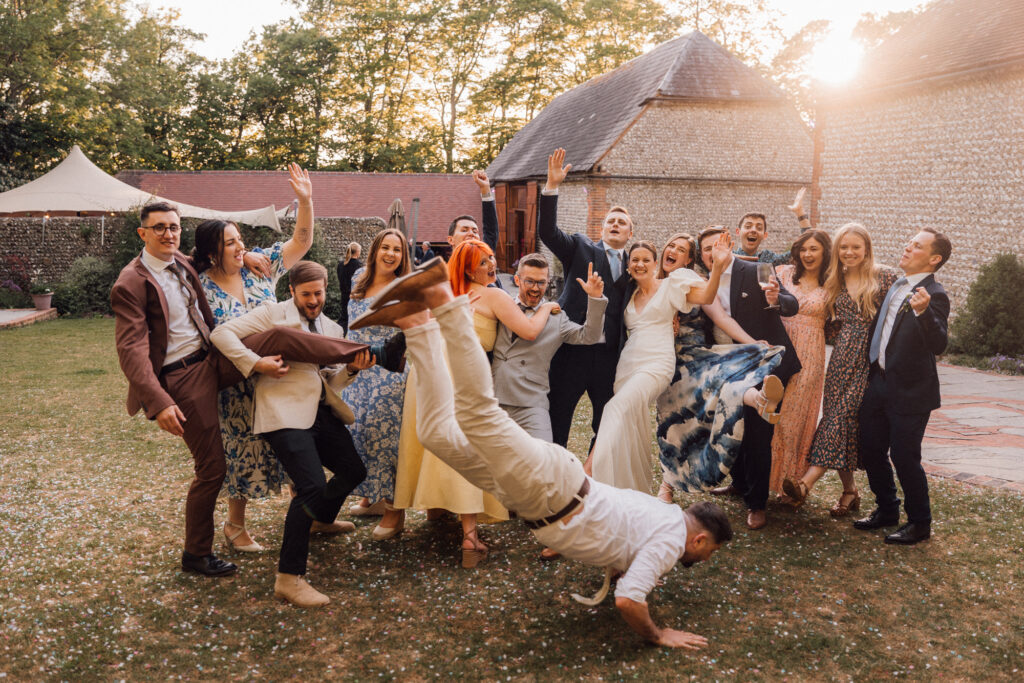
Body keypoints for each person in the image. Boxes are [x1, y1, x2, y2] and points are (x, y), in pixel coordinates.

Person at [351, 266, 733, 649]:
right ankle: (443, 302)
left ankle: (418, 326)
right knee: (478, 413)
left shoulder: (662, 518)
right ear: (700, 540)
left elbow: (624, 538)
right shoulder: (669, 541)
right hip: (552, 488)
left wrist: (625, 565)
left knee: (435, 434)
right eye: (711, 553)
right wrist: (659, 634)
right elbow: (628, 600)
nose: (705, 559)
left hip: (538, 495)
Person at [111, 204, 369, 578]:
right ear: (143, 233)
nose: (168, 234)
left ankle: (358, 354)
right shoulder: (132, 281)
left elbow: (265, 248)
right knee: (215, 466)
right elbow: (131, 349)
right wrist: (158, 401)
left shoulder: (181, 262)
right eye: (159, 228)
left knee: (279, 341)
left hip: (230, 364)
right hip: (188, 373)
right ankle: (200, 550)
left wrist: (243, 255)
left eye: (173, 227)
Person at [209, 261, 376, 606]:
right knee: (311, 486)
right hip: (282, 414)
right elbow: (220, 334)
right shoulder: (272, 313)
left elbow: (330, 380)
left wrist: (351, 370)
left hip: (319, 410)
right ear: (292, 291)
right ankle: (289, 578)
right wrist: (256, 363)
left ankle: (320, 520)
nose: (313, 300)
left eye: (318, 293)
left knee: (353, 471)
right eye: (306, 294)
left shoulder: (331, 327)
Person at [394, 239, 556, 567]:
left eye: (491, 257)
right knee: (464, 444)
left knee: (435, 441)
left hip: (427, 370)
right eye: (484, 262)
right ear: (469, 270)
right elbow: (528, 331)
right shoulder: (493, 295)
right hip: (457, 371)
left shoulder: (445, 292)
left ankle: (437, 510)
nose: (492, 265)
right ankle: (469, 536)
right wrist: (546, 307)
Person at [586, 236, 780, 495]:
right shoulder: (629, 291)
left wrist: (718, 268)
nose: (640, 263)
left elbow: (711, 302)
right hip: (631, 364)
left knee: (617, 408)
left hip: (670, 360)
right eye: (635, 260)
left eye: (681, 249)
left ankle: (586, 475)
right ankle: (627, 488)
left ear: (658, 262)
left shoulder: (677, 283)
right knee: (641, 423)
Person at [193, 162, 315, 554]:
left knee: (295, 443)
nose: (240, 246)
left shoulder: (260, 268)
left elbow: (301, 243)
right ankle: (234, 525)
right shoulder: (199, 288)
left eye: (240, 239)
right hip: (236, 383)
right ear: (211, 252)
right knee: (241, 449)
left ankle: (311, 514)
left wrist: (305, 201)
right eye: (230, 243)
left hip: (280, 375)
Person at [654, 232, 784, 501]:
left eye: (681, 249)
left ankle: (761, 400)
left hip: (693, 357)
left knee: (723, 379)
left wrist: (752, 343)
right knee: (671, 425)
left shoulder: (697, 282)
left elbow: (722, 318)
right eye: (671, 246)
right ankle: (667, 485)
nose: (673, 251)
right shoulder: (650, 283)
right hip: (662, 359)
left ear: (689, 260)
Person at [783, 224, 900, 517]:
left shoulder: (885, 277)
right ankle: (849, 492)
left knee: (837, 419)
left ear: (867, 248)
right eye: (844, 247)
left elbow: (897, 319)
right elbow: (830, 323)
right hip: (839, 360)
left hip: (867, 359)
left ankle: (805, 484)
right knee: (840, 421)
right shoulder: (835, 278)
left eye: (855, 247)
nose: (849, 252)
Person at [854, 229, 951, 545]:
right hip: (879, 382)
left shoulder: (934, 294)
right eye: (909, 242)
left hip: (911, 391)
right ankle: (887, 509)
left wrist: (924, 313)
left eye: (917, 246)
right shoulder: (896, 284)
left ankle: (920, 523)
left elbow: (939, 344)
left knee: (904, 456)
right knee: (871, 448)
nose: (907, 247)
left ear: (934, 259)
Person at [710, 228, 802, 529]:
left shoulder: (757, 269)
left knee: (759, 435)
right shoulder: (704, 281)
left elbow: (791, 303)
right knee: (733, 425)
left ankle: (757, 504)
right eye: (705, 249)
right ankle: (739, 483)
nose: (711, 253)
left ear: (728, 246)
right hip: (730, 366)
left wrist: (776, 298)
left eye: (716, 246)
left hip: (767, 363)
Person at [539, 148, 632, 448]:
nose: (615, 224)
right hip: (571, 350)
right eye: (610, 221)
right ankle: (555, 470)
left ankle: (595, 471)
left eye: (622, 222)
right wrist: (551, 187)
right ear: (602, 228)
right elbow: (548, 233)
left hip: (609, 357)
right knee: (558, 416)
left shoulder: (637, 266)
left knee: (606, 423)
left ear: (630, 233)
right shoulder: (580, 248)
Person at [491, 252, 607, 442]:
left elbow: (590, 336)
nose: (535, 288)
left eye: (541, 282)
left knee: (543, 456)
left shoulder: (557, 318)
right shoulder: (502, 305)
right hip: (493, 399)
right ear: (517, 280)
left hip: (531, 404)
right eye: (529, 281)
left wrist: (595, 299)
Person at [343, 228, 411, 539]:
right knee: (360, 435)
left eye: (397, 249)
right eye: (386, 247)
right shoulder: (359, 278)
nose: (391, 254)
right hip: (356, 372)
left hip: (386, 373)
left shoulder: (404, 288)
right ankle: (372, 498)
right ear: (375, 250)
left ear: (403, 256)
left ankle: (395, 510)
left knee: (386, 440)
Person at [768, 230, 831, 501]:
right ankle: (762, 477)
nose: (807, 254)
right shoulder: (783, 274)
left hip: (810, 354)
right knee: (772, 410)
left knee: (795, 416)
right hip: (780, 346)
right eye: (803, 249)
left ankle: (790, 482)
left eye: (814, 249)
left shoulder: (833, 283)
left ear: (825, 252)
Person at [733, 188, 812, 265]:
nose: (753, 230)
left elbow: (803, 246)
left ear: (765, 235)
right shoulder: (729, 257)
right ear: (738, 232)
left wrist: (800, 212)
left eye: (759, 228)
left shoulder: (767, 259)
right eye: (748, 226)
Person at [447, 169, 499, 251]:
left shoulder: (483, 255)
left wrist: (485, 188)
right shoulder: (442, 260)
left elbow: (491, 231)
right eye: (464, 230)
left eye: (475, 231)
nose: (471, 234)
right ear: (451, 240)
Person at [337, 242, 362, 334]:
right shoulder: (358, 265)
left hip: (344, 295)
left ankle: (338, 336)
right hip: (355, 296)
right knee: (356, 319)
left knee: (344, 318)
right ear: (357, 252)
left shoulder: (341, 264)